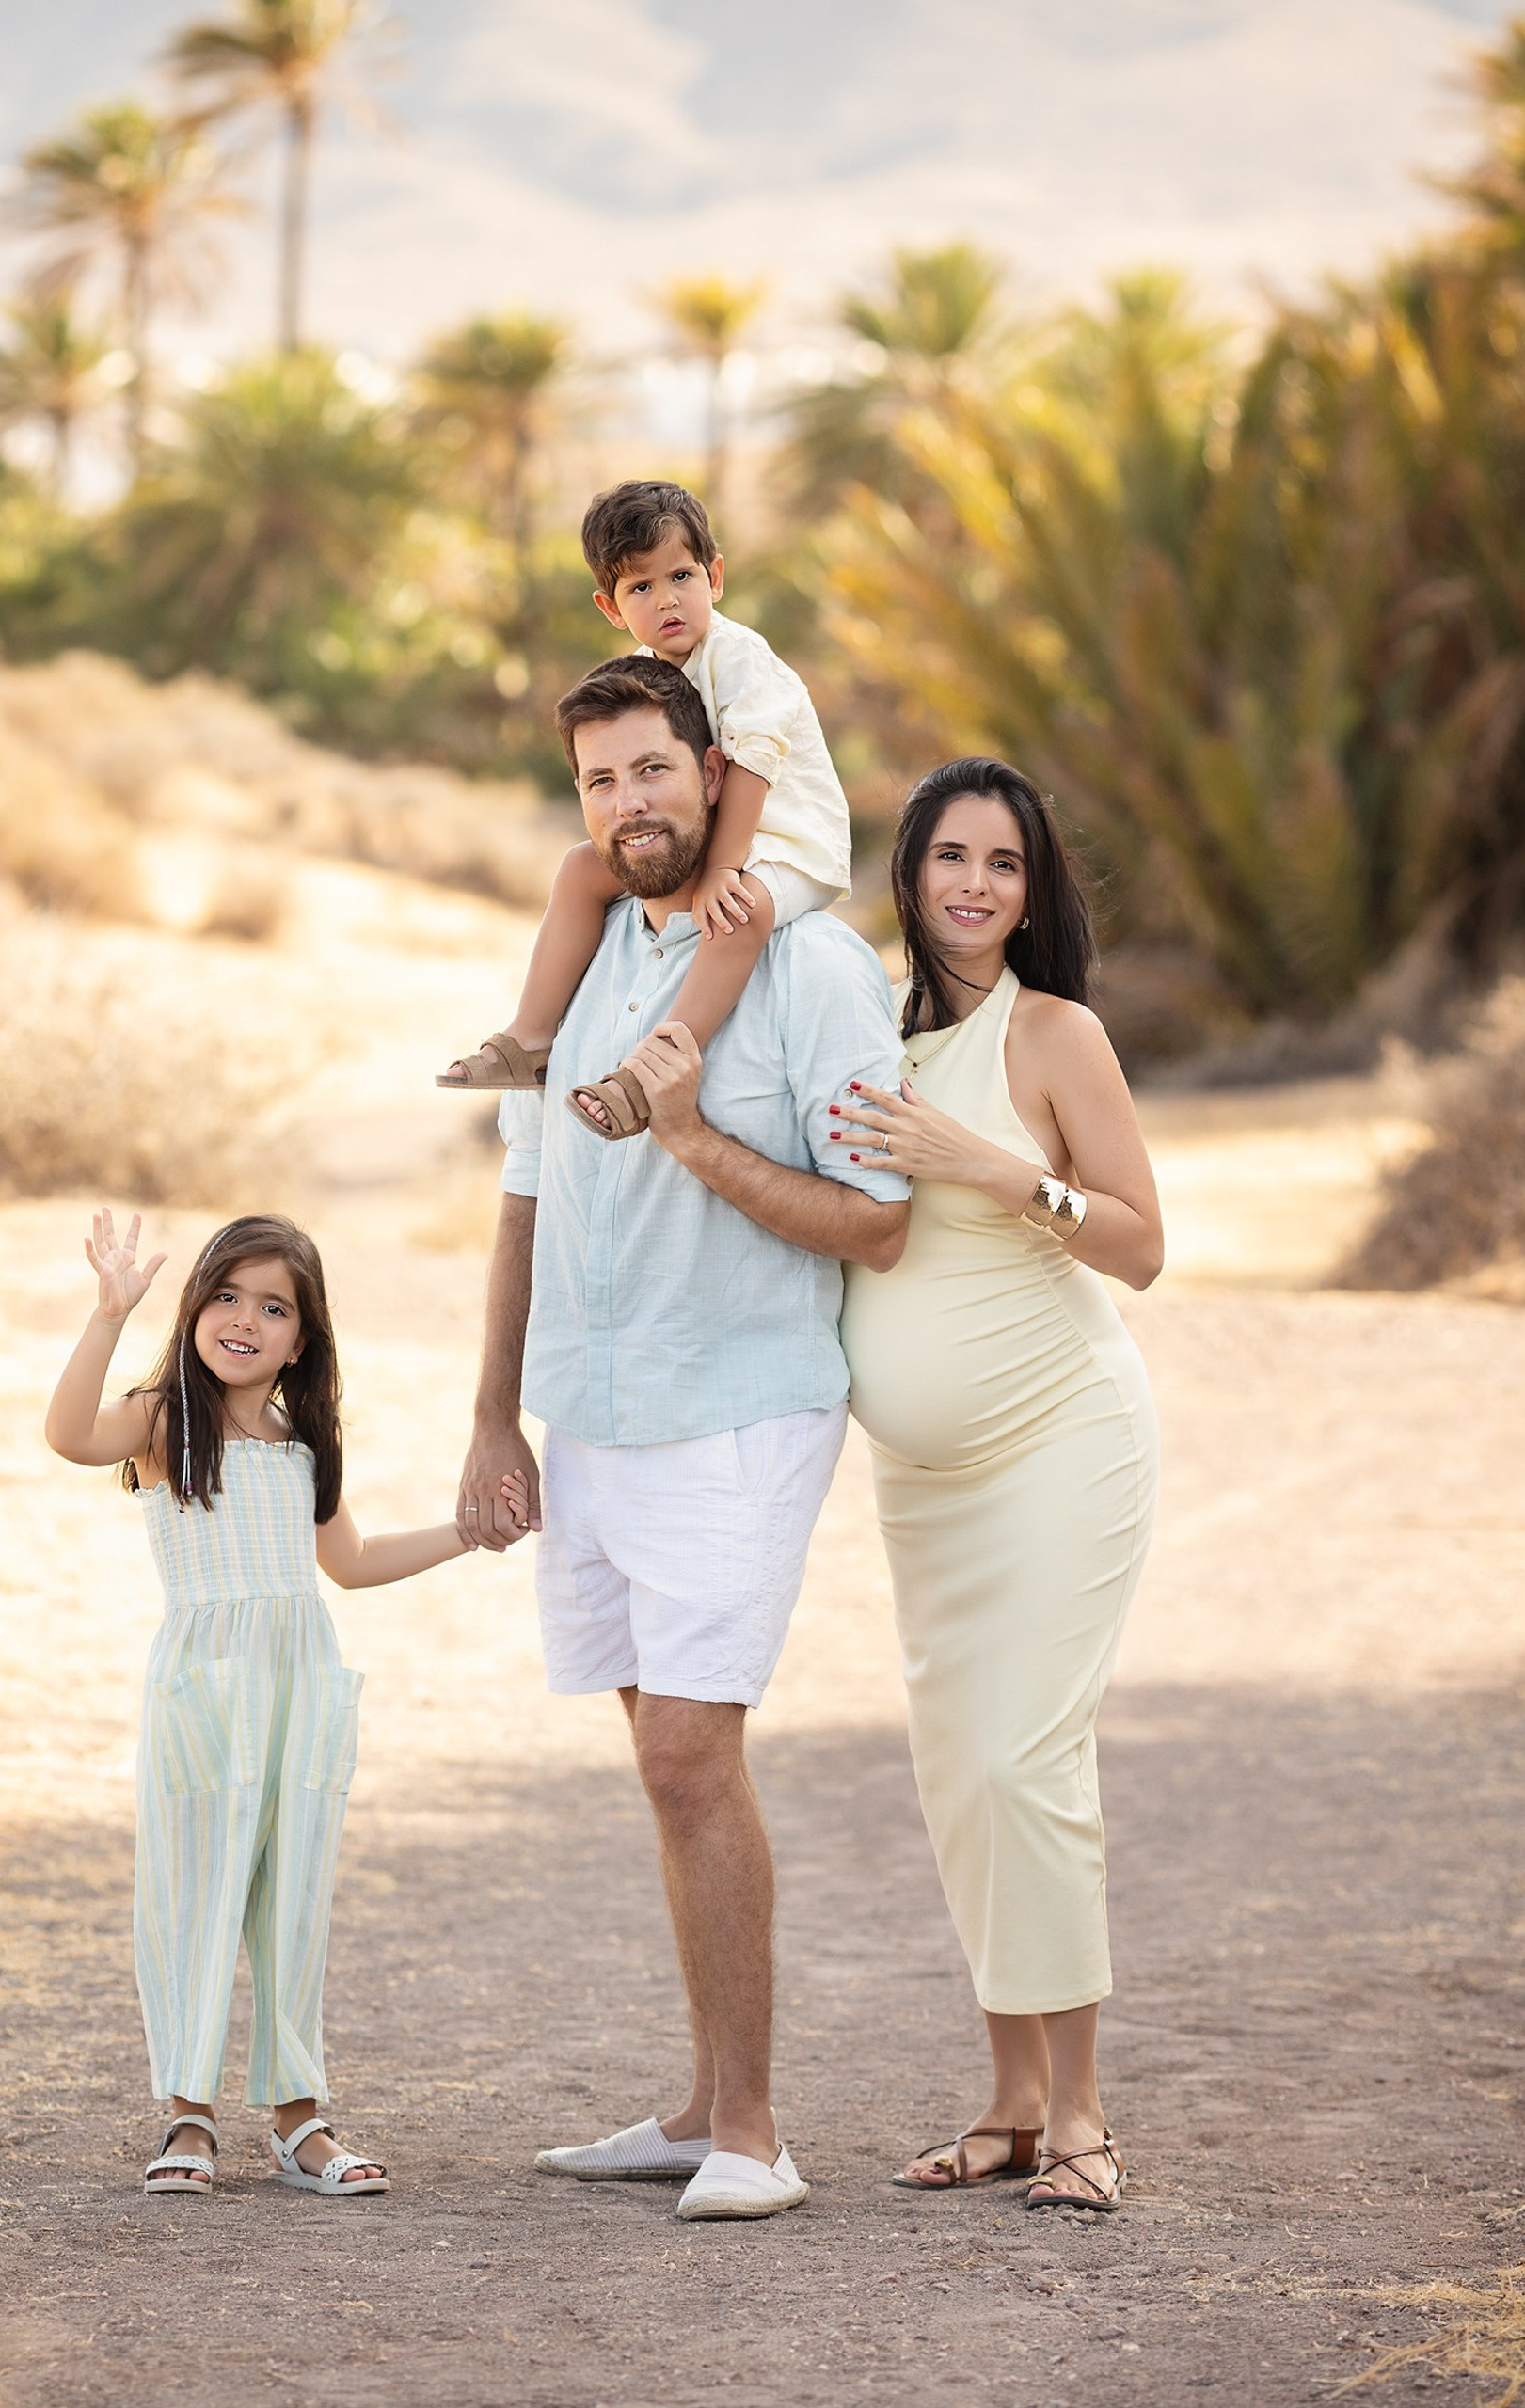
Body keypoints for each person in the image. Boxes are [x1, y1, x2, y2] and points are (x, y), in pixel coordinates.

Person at [458, 654, 909, 2220]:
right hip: (591, 1410)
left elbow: (879, 1223)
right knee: (663, 1770)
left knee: (686, 1755)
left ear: (717, 776)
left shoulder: (815, 967)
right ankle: (701, 2107)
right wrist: (492, 1416)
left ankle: (758, 2138)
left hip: (740, 1403)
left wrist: (694, 1138)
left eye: (652, 768)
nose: (627, 803)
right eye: (599, 780)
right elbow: (527, 1196)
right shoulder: (587, 956)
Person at [834, 756, 1165, 2213]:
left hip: (1061, 1440)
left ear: (1033, 895)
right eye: (951, 857)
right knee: (961, 1774)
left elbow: (1142, 1244)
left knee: (1030, 1761)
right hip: (927, 1485)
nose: (974, 884)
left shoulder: (1054, 1034)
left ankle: (1084, 2118)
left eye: (1005, 863)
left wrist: (995, 1168)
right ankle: (1013, 2105)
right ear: (910, 874)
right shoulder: (869, 1034)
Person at [44, 1208, 510, 2199]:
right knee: (196, 1899)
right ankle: (189, 2115)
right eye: (225, 1296)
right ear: (192, 1308)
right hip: (206, 1697)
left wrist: (468, 1533)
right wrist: (108, 1313)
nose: (244, 1320)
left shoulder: (304, 1449)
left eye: (272, 1307)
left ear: (302, 1340)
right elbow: (69, 1434)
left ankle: (301, 2121)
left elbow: (353, 1562)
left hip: (299, 1690)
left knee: (293, 1901)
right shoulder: (165, 1423)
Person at [438, 479, 853, 1143]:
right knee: (581, 868)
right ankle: (532, 1036)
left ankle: (648, 1076)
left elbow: (751, 768)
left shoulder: (742, 660)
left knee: (738, 914)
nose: (666, 600)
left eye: (681, 576)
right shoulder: (642, 671)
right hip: (715, 835)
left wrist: (722, 868)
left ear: (715, 577)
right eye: (640, 587)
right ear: (610, 607)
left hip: (789, 844)